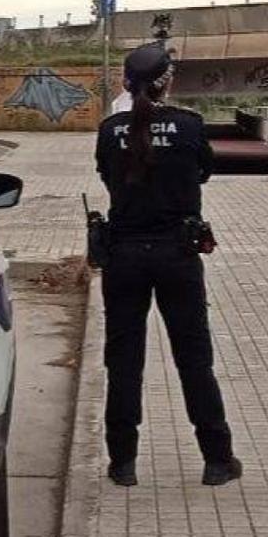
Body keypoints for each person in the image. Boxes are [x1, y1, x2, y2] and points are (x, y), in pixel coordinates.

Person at [94, 42, 242, 488]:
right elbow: (203, 173)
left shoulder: (110, 130)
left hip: (123, 256)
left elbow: (107, 174)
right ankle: (217, 459)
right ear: (167, 81)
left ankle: (122, 463)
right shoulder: (190, 127)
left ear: (125, 81)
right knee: (194, 359)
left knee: (123, 361)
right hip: (177, 254)